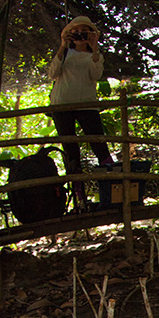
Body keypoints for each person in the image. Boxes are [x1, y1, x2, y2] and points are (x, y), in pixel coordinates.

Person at [47, 15, 114, 208]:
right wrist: (62, 45)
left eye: (84, 32)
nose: (79, 35)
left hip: (87, 105)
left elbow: (96, 75)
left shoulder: (95, 56)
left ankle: (113, 193)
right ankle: (80, 199)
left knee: (99, 145)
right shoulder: (64, 54)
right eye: (75, 32)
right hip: (62, 106)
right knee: (71, 152)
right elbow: (52, 73)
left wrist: (95, 48)